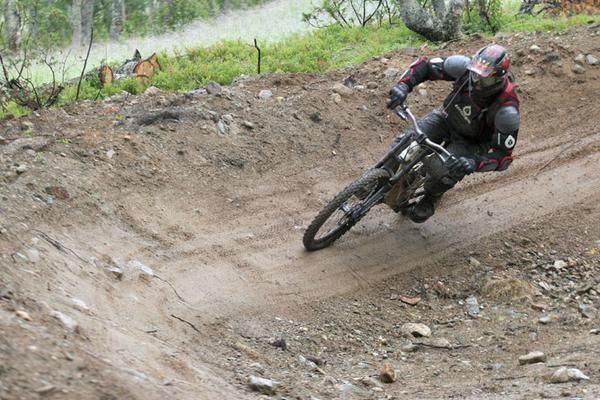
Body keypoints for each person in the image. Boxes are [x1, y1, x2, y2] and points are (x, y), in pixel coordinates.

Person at [387, 44, 520, 223]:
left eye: (485, 79)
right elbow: (426, 66)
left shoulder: (507, 111)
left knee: (441, 170)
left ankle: (432, 197)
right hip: (445, 119)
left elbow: (503, 157)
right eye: (475, 74)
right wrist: (403, 86)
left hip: (470, 142)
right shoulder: (464, 67)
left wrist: (474, 163)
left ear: (498, 79)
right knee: (403, 145)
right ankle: (377, 178)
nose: (476, 81)